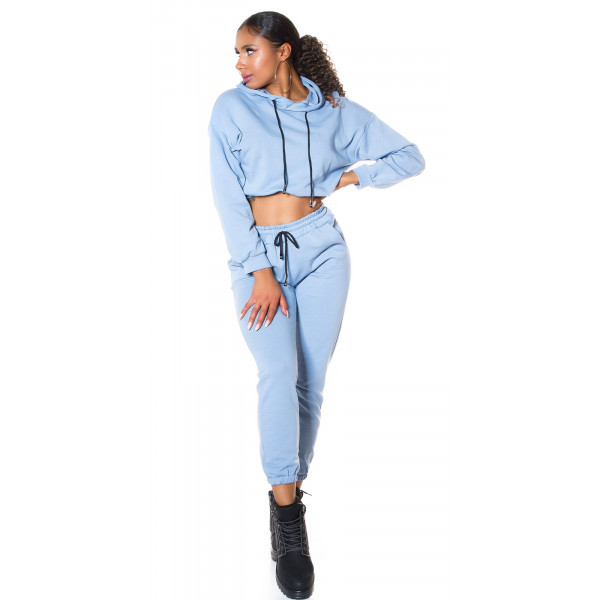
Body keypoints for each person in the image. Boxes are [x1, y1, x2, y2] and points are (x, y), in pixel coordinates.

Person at [207, 11, 425, 599]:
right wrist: (259, 270)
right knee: (278, 373)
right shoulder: (230, 108)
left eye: (249, 51)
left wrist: (349, 180)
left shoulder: (333, 110)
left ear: (282, 51)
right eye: (237, 52)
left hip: (322, 248)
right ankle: (288, 519)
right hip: (259, 258)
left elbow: (410, 157)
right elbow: (227, 197)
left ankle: (288, 495)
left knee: (310, 383)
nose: (239, 63)